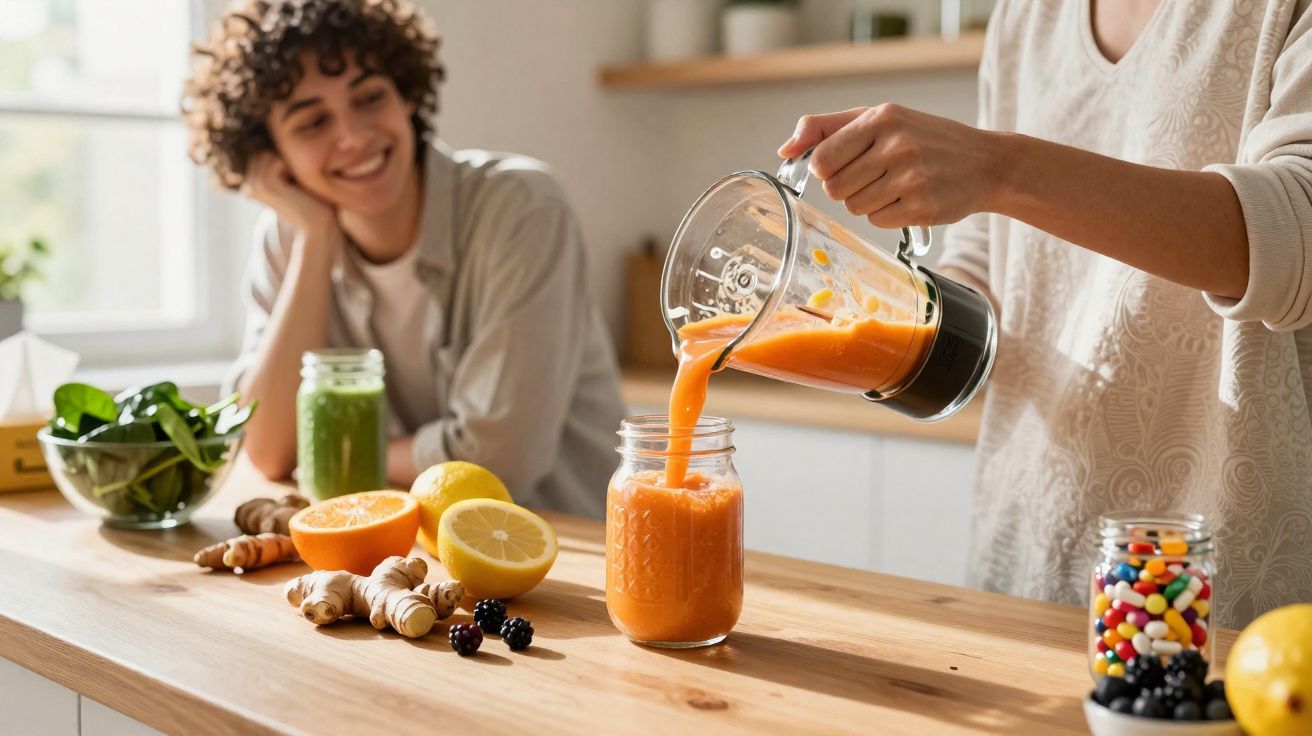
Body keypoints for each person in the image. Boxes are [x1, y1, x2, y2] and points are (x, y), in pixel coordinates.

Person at [778, 0, 1312, 627]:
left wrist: (998, 167)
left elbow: (1296, 234)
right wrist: (865, 322)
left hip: (1223, 583)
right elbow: (988, 263)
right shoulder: (1025, 16)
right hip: (1026, 550)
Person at [181, 0, 626, 517]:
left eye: (370, 97)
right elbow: (266, 447)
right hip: (423, 551)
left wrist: (332, 457)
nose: (354, 136)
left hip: (568, 544)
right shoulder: (289, 239)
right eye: (313, 122)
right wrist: (316, 240)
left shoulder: (522, 209)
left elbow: (499, 462)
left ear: (406, 95)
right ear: (271, 154)